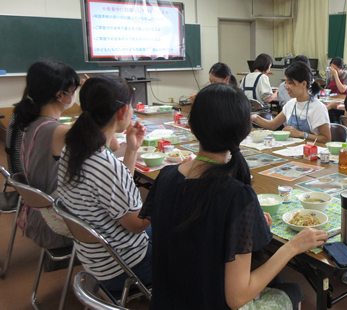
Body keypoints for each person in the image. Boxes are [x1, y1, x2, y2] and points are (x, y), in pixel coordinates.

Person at [139, 83, 328, 309]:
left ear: (190, 126)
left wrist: (245, 223)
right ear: (246, 132)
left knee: (276, 280)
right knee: (293, 290)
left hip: (166, 302)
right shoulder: (236, 194)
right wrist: (293, 247)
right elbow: (237, 298)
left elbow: (196, 226)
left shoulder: (166, 176)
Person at [58, 75, 152, 291]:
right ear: (121, 112)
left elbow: (118, 188)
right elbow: (137, 225)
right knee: (185, 230)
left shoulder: (72, 149)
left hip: (97, 260)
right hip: (126, 267)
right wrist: (164, 194)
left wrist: (131, 149)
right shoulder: (106, 164)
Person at [8, 61, 79, 270]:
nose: (74, 95)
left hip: (36, 216)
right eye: (74, 90)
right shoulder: (58, 131)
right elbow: (107, 141)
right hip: (55, 225)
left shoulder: (31, 122)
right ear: (60, 95)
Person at [251, 62, 332, 143]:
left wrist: (301, 134)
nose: (286, 87)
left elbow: (327, 139)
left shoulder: (318, 108)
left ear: (304, 84)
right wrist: (255, 118)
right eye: (286, 82)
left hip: (311, 152)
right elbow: (272, 125)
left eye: (290, 83)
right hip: (293, 150)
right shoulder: (291, 104)